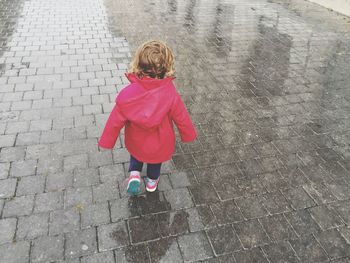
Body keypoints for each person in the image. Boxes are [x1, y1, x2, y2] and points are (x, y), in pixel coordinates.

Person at [98, 40, 197, 195]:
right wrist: (188, 134)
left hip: (137, 139)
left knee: (136, 156)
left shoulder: (128, 94)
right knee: (155, 162)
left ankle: (134, 175)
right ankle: (151, 183)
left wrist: (107, 140)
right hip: (160, 142)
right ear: (167, 67)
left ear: (139, 64)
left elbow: (114, 121)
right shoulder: (170, 93)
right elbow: (181, 117)